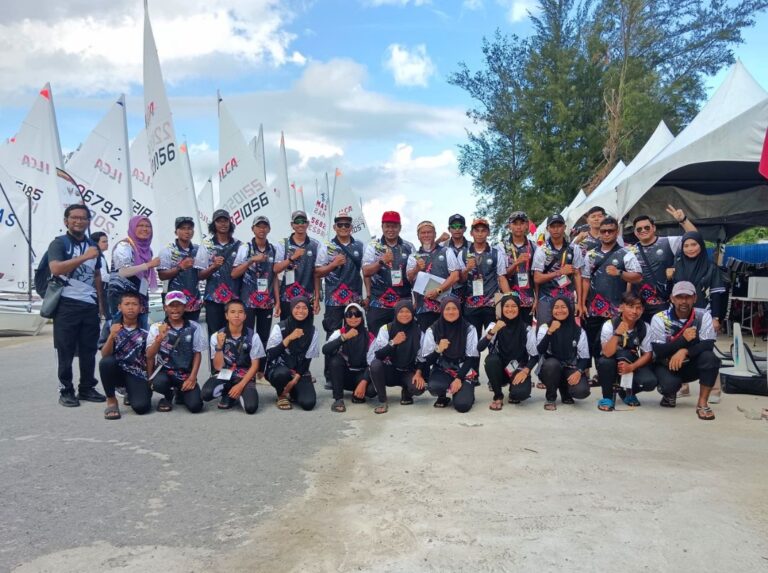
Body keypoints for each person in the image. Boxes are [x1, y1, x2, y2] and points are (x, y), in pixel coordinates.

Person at [48, 204, 106, 407]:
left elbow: (96, 275)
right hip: (66, 303)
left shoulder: (93, 246)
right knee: (64, 349)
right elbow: (56, 268)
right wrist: (85, 257)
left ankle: (87, 387)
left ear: (88, 222)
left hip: (89, 304)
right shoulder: (59, 243)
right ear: (66, 221)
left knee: (89, 349)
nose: (78, 221)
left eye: (83, 218)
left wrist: (100, 303)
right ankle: (65, 390)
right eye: (74, 217)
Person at [581, 216, 642, 379]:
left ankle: (615, 377)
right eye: (603, 231)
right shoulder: (591, 254)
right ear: (599, 233)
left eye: (610, 231)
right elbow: (585, 279)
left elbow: (638, 276)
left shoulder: (626, 254)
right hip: (594, 309)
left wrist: (620, 273)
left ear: (617, 232)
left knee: (618, 343)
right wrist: (581, 303)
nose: (607, 234)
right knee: (594, 343)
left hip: (617, 309)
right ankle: (600, 375)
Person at [649, 281, 720, 420]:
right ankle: (669, 393)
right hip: (667, 364)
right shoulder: (659, 318)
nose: (683, 301)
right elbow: (658, 350)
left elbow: (708, 344)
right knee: (670, 385)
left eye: (687, 297)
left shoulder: (703, 315)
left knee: (710, 358)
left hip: (691, 364)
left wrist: (685, 351)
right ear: (672, 298)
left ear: (695, 298)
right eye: (679, 297)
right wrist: (682, 340)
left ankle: (702, 403)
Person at [670, 230, 727, 401]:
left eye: (694, 244)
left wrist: (716, 318)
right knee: (679, 346)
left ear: (701, 246)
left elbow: (716, 294)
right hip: (680, 314)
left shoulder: (711, 267)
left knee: (707, 349)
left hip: (704, 314)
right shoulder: (677, 266)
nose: (690, 248)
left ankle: (714, 389)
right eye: (686, 245)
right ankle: (682, 386)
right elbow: (671, 291)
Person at [315, 211, 366, 382]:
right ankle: (330, 375)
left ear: (351, 227)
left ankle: (356, 370)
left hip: (354, 299)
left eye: (347, 224)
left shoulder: (360, 245)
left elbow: (366, 271)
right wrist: (333, 264)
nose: (343, 227)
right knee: (333, 335)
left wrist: (368, 295)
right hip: (334, 300)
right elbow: (317, 272)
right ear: (335, 227)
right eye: (340, 224)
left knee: (356, 333)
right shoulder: (326, 246)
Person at [628, 206, 697, 323]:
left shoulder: (669, 242)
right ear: (635, 232)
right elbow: (629, 279)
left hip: (664, 304)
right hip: (639, 306)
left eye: (646, 227)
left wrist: (683, 220)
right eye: (639, 229)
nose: (643, 230)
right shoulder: (630, 251)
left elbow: (695, 238)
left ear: (654, 228)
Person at [231, 215, 278, 378]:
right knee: (247, 335)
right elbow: (234, 273)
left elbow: (275, 277)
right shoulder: (245, 248)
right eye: (259, 226)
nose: (262, 229)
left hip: (267, 301)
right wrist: (251, 260)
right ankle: (245, 368)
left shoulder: (274, 249)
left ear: (269, 229)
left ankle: (260, 371)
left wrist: (277, 302)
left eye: (265, 226)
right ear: (253, 229)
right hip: (248, 301)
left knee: (264, 337)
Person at [146, 291, 206, 413]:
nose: (175, 309)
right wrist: (159, 339)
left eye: (179, 305)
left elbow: (197, 353)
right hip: (164, 372)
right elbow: (149, 355)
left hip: (185, 374)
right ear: (165, 308)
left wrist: (192, 378)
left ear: (185, 307)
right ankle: (168, 395)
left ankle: (180, 393)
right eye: (171, 305)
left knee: (196, 406)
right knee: (158, 383)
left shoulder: (194, 327)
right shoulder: (156, 327)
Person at [596, 292, 657, 411]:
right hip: (612, 364)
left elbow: (648, 354)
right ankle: (607, 397)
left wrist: (632, 367)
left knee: (650, 382)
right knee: (604, 362)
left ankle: (628, 392)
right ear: (621, 307)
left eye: (638, 307)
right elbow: (607, 353)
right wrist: (617, 334)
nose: (634, 311)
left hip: (631, 363)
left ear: (643, 310)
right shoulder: (609, 325)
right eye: (630, 306)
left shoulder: (644, 327)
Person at [202, 299, 265, 414]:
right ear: (226, 315)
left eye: (240, 312)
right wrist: (219, 347)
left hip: (245, 375)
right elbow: (218, 367)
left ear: (245, 316)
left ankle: (238, 393)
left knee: (251, 407)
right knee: (206, 394)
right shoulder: (216, 336)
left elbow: (255, 366)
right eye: (232, 312)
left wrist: (240, 386)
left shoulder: (253, 336)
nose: (236, 315)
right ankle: (227, 393)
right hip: (225, 373)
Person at [417, 297, 479, 413]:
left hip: (463, 370)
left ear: (459, 310)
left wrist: (459, 379)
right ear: (442, 310)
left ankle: (465, 391)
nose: (451, 312)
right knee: (434, 386)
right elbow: (427, 361)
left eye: (454, 308)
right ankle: (443, 396)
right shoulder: (433, 329)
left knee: (462, 405)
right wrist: (438, 350)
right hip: (443, 369)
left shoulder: (469, 329)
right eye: (447, 309)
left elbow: (471, 358)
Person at [479, 293, 539, 411]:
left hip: (518, 369)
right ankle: (498, 396)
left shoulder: (526, 329)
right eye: (506, 306)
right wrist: (494, 330)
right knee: (491, 360)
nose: (510, 309)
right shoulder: (494, 326)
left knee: (519, 394)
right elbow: (480, 348)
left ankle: (514, 388)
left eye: (514, 306)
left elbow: (535, 356)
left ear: (519, 308)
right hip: (500, 370)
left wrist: (525, 371)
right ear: (501, 308)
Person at [362, 211, 415, 334]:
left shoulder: (409, 247)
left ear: (400, 227)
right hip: (378, 303)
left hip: (403, 303)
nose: (390, 230)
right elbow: (366, 271)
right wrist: (381, 261)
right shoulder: (373, 246)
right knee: (376, 340)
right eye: (387, 226)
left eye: (394, 226)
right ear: (382, 227)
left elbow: (414, 275)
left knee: (404, 339)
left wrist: (416, 300)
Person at [369, 300, 426, 414]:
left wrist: (418, 373)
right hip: (390, 370)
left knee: (418, 388)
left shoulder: (419, 332)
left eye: (408, 311)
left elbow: (422, 357)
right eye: (401, 311)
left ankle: (407, 391)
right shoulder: (386, 329)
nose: (404, 314)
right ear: (396, 313)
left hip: (408, 371)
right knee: (375, 366)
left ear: (412, 313)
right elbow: (378, 355)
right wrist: (393, 342)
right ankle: (382, 401)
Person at [99, 292, 150, 419]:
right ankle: (111, 400)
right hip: (117, 369)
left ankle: (130, 392)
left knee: (141, 407)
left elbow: (150, 355)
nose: (131, 307)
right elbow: (104, 354)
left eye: (134, 304)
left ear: (141, 308)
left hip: (136, 372)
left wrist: (149, 379)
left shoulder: (147, 328)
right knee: (106, 362)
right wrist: (112, 336)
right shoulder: (110, 325)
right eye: (127, 304)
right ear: (119, 307)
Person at [458, 217, 510, 338]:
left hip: (492, 304)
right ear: (471, 233)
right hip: (471, 305)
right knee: (472, 341)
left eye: (483, 230)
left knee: (493, 339)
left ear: (488, 233)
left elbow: (502, 278)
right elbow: (461, 280)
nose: (480, 234)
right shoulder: (463, 253)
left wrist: (510, 298)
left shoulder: (496, 253)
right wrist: (467, 269)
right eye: (477, 230)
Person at [536, 297, 591, 411]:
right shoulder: (545, 327)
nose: (560, 310)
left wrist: (579, 372)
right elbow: (540, 350)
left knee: (582, 391)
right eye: (556, 307)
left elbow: (585, 357)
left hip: (570, 367)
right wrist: (550, 332)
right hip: (550, 369)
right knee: (552, 364)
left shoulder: (579, 331)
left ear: (570, 309)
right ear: (551, 310)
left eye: (563, 307)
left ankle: (565, 392)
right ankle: (550, 397)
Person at [265, 296, 319, 411]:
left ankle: (293, 390)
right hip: (279, 368)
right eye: (297, 307)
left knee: (308, 403)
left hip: (299, 370)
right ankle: (281, 395)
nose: (301, 311)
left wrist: (295, 379)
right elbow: (270, 355)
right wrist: (289, 338)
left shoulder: (313, 330)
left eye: (304, 308)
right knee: (282, 374)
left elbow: (307, 359)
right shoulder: (280, 327)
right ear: (291, 309)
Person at [406, 220, 461, 331]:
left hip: (445, 307)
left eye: (429, 232)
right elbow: (409, 278)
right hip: (423, 308)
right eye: (423, 233)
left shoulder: (447, 251)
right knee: (427, 339)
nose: (426, 235)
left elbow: (455, 276)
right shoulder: (413, 256)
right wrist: (416, 269)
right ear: (418, 236)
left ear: (435, 234)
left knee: (447, 339)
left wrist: (438, 290)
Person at [322, 303, 377, 412]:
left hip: (361, 374)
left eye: (357, 314)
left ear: (362, 316)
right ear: (345, 317)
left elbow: (374, 362)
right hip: (343, 376)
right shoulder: (339, 332)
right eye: (349, 314)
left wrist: (364, 382)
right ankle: (338, 398)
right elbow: (325, 350)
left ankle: (357, 393)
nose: (353, 317)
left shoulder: (369, 336)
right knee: (335, 360)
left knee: (372, 391)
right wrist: (344, 338)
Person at [108, 215, 160, 328]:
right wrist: (149, 265)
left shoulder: (147, 249)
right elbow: (123, 272)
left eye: (148, 226)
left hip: (140, 297)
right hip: (122, 298)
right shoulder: (124, 246)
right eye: (140, 225)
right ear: (132, 227)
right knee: (121, 332)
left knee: (141, 331)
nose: (145, 229)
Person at [273, 210, 326, 319]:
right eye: (297, 222)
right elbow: (276, 269)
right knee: (287, 328)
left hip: (307, 298)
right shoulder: (283, 244)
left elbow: (317, 274)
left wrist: (316, 299)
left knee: (306, 329)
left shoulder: (316, 245)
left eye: (303, 221)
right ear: (292, 225)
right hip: (287, 298)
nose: (300, 224)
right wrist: (292, 258)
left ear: (307, 224)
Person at [532, 214, 584, 325]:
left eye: (559, 226)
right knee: (544, 331)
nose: (556, 229)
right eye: (553, 226)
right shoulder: (542, 250)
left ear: (564, 227)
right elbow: (537, 278)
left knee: (566, 332)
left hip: (567, 299)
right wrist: (559, 272)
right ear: (548, 229)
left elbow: (577, 275)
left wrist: (579, 302)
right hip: (546, 298)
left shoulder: (574, 249)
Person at [197, 209, 242, 337]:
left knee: (234, 334)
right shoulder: (206, 245)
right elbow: (200, 275)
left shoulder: (240, 245)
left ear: (230, 223)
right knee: (214, 335)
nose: (223, 224)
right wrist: (213, 267)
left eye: (225, 221)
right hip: (213, 299)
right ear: (214, 224)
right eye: (219, 221)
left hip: (234, 299)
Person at [157, 216, 205, 322]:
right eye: (183, 228)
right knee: (172, 329)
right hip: (173, 302)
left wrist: (214, 266)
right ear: (176, 232)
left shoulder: (199, 250)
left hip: (193, 301)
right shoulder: (167, 250)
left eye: (189, 228)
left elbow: (201, 275)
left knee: (193, 329)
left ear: (193, 231)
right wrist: (180, 267)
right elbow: (162, 275)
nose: (187, 231)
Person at [500, 211, 537, 325]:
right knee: (508, 332)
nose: (518, 227)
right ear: (509, 226)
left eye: (522, 223)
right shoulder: (501, 247)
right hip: (508, 301)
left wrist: (537, 298)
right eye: (515, 223)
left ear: (527, 225)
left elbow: (536, 276)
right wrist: (516, 263)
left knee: (526, 332)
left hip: (528, 300)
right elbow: (501, 275)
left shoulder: (533, 246)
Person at [440, 214, 471, 300]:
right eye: (454, 227)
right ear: (449, 229)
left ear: (465, 229)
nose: (457, 229)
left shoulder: (472, 246)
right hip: (447, 290)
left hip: (469, 291)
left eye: (460, 226)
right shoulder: (441, 247)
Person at [91, 231, 111, 317]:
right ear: (96, 243)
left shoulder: (101, 256)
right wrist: (117, 278)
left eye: (107, 241)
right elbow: (103, 276)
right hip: (102, 292)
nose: (107, 244)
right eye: (104, 241)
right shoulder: (99, 257)